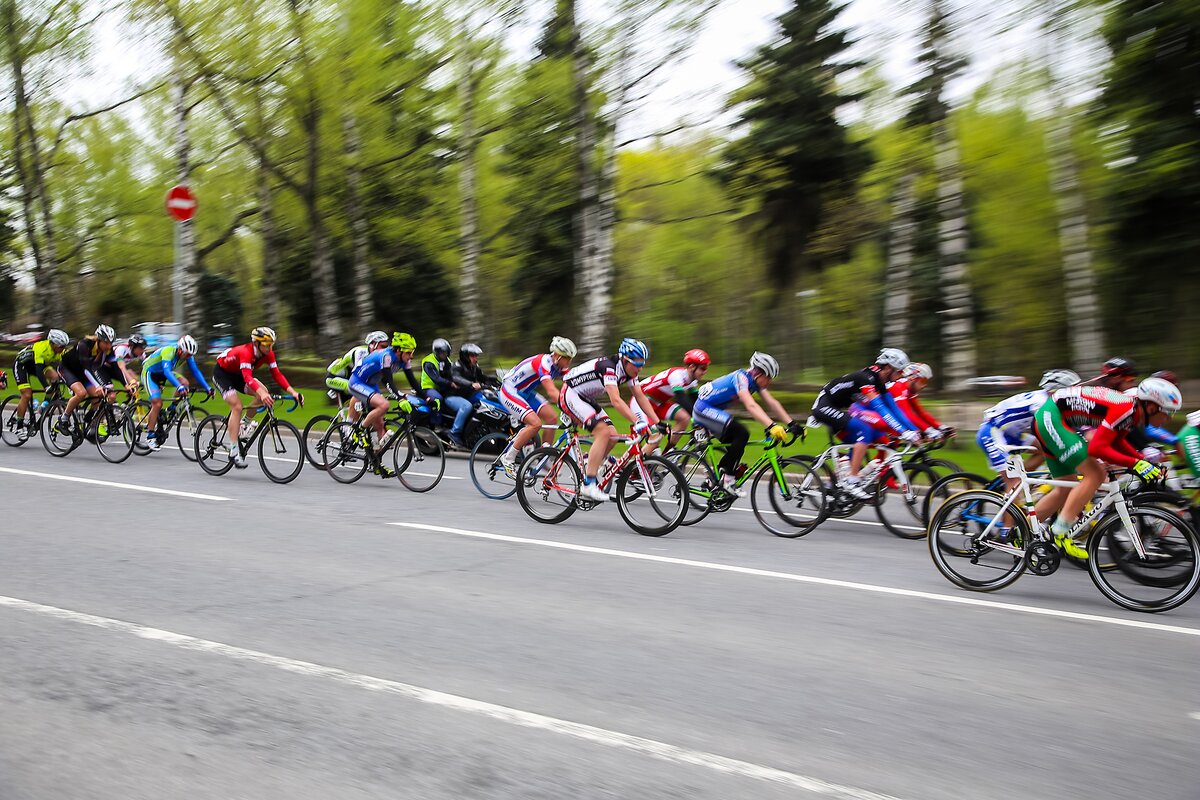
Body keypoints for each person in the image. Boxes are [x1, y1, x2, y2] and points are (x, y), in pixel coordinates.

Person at [1032, 376, 1181, 559]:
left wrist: (1144, 461)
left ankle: (1020, 532)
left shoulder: (1132, 412)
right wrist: (1136, 463)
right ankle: (1059, 533)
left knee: (1065, 487)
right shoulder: (1125, 409)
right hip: (1052, 418)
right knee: (1095, 474)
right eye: (1168, 412)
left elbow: (1117, 442)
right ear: (1152, 407)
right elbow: (1097, 447)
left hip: (1054, 418)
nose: (1168, 418)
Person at [561, 338, 663, 503]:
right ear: (625, 359)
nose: (640, 368)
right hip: (570, 395)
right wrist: (637, 422)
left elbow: (640, 396)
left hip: (584, 398)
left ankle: (590, 462)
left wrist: (656, 421)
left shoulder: (629, 371)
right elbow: (616, 401)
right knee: (602, 432)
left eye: (642, 364)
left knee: (613, 436)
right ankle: (588, 484)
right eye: (637, 364)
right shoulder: (608, 368)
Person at [810, 348, 921, 499]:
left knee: (876, 435)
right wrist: (903, 431)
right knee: (864, 430)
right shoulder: (866, 378)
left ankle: (842, 474)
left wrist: (914, 430)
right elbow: (880, 408)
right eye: (900, 372)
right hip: (824, 406)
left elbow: (894, 409)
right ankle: (852, 480)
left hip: (839, 408)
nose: (902, 376)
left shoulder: (880, 382)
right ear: (888, 368)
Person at [693, 352, 795, 495]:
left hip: (713, 410)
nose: (770, 382)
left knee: (736, 446)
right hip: (703, 409)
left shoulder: (755, 381)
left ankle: (714, 480)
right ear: (759, 374)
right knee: (742, 433)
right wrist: (771, 426)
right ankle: (728, 481)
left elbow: (772, 403)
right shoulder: (741, 378)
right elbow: (750, 405)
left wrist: (792, 424)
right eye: (769, 378)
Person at [213, 327, 303, 468]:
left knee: (264, 392)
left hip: (239, 375)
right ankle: (233, 451)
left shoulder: (269, 354)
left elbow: (277, 374)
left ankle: (243, 423)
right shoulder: (246, 352)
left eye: (271, 344)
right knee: (237, 406)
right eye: (266, 344)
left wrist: (293, 393)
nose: (269, 348)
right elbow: (248, 377)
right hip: (222, 374)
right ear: (257, 343)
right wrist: (261, 393)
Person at [976, 369, 1080, 490]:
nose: (1076, 394)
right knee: (1013, 482)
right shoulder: (1041, 403)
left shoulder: (1048, 398)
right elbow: (1054, 429)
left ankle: (1022, 481)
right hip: (992, 432)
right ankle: (1012, 496)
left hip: (1010, 433)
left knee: (1043, 450)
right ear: (1057, 390)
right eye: (1072, 390)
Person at [497, 336, 577, 477]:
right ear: (558, 356)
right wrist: (570, 409)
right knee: (535, 424)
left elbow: (572, 385)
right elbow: (552, 392)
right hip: (510, 390)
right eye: (567, 358)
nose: (569, 361)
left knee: (552, 417)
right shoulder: (544, 363)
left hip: (525, 393)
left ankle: (543, 457)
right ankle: (508, 458)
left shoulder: (559, 365)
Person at [346, 334, 411, 477]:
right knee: (384, 405)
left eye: (413, 352)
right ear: (399, 350)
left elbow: (413, 382)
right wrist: (399, 396)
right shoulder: (386, 356)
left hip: (371, 385)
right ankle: (359, 431)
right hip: (357, 382)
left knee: (380, 425)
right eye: (409, 352)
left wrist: (426, 397)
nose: (411, 356)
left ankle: (375, 464)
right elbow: (388, 381)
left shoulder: (405, 360)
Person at [141, 335, 214, 450]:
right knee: (157, 402)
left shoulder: (187, 355)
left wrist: (207, 387)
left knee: (185, 383)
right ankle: (150, 436)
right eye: (187, 354)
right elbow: (167, 371)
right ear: (180, 349)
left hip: (163, 374)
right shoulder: (169, 351)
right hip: (150, 373)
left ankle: (171, 408)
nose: (188, 357)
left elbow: (195, 371)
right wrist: (178, 386)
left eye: (190, 355)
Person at [638, 349, 709, 449]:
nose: (705, 372)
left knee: (684, 418)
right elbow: (681, 398)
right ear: (692, 367)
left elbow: (696, 402)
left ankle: (668, 455)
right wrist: (696, 419)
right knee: (656, 435)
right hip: (641, 402)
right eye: (703, 368)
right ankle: (639, 464)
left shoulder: (692, 381)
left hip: (658, 404)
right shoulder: (676, 375)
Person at [55, 324, 119, 435]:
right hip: (67, 369)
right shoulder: (84, 344)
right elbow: (86, 368)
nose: (109, 346)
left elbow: (115, 368)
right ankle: (64, 418)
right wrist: (98, 385)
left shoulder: (107, 351)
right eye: (106, 343)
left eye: (111, 343)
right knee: (81, 393)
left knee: (98, 397)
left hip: (83, 373)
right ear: (99, 340)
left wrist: (126, 384)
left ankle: (92, 423)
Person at [10, 328, 70, 435]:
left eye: (64, 346)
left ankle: (45, 405)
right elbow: (39, 372)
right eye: (60, 346)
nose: (62, 349)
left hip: (38, 365)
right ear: (52, 343)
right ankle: (19, 427)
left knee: (55, 378)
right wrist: (46, 387)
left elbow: (67, 367)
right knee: (27, 394)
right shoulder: (42, 348)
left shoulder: (60, 351)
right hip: (22, 365)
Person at [326, 331, 390, 424]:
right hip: (334, 378)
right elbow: (358, 375)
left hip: (348, 377)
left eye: (386, 347)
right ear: (373, 344)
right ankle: (349, 425)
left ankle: (356, 424)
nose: (385, 349)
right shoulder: (360, 352)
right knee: (358, 392)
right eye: (383, 346)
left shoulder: (376, 355)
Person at [447, 342, 499, 448]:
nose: (475, 358)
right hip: (453, 396)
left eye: (476, 356)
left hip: (468, 395)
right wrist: (471, 384)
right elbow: (457, 378)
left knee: (487, 402)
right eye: (472, 356)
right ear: (465, 356)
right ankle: (454, 432)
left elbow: (483, 377)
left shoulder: (474, 367)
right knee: (467, 406)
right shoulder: (456, 366)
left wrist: (496, 381)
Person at [888, 362, 952, 441]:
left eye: (926, 382)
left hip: (889, 421)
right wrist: (929, 430)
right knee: (892, 441)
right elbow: (907, 414)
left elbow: (921, 412)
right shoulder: (898, 387)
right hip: (874, 417)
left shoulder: (910, 391)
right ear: (913, 378)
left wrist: (942, 428)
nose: (924, 385)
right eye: (923, 381)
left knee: (890, 449)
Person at [419, 338, 455, 431]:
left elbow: (452, 373)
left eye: (446, 352)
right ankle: (436, 425)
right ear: (437, 352)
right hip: (428, 388)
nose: (445, 355)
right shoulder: (429, 362)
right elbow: (436, 379)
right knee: (438, 399)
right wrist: (450, 383)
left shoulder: (446, 361)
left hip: (441, 388)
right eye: (442, 353)